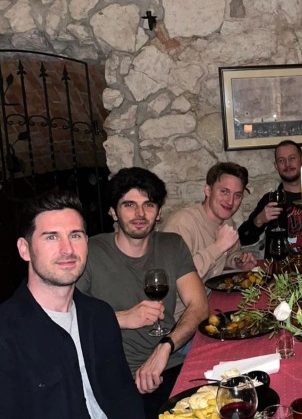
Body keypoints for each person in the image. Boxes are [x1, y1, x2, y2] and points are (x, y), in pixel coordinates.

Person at [77, 167, 208, 419]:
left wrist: (165, 347)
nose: (140, 214)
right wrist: (122, 318)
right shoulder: (90, 252)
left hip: (170, 364)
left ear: (158, 213)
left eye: (148, 204)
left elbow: (199, 307)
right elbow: (67, 317)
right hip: (116, 377)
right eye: (129, 205)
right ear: (113, 212)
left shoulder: (172, 245)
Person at [0, 190, 143, 418]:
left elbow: (125, 399)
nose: (67, 249)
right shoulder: (6, 333)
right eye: (51, 237)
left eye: (75, 235)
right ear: (24, 249)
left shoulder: (100, 315)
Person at [160, 162, 256, 319]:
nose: (230, 201)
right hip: (179, 317)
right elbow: (174, 279)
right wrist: (218, 246)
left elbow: (230, 254)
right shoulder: (181, 224)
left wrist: (238, 261)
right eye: (224, 192)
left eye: (237, 195)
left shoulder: (227, 221)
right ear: (208, 190)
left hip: (209, 303)